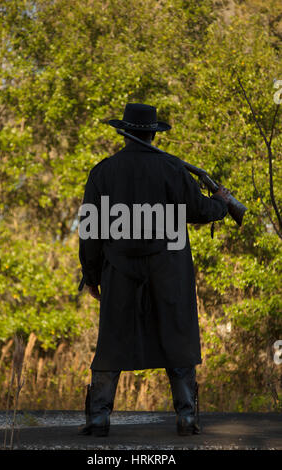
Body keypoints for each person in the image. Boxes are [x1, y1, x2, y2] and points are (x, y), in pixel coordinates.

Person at [78, 103, 230, 437]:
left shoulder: (103, 172)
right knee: (178, 339)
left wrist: (90, 275)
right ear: (152, 133)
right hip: (169, 273)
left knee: (112, 342)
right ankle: (187, 418)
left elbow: (90, 231)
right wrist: (221, 200)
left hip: (118, 272)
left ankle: (99, 419)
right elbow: (201, 210)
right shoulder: (173, 168)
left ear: (124, 132)